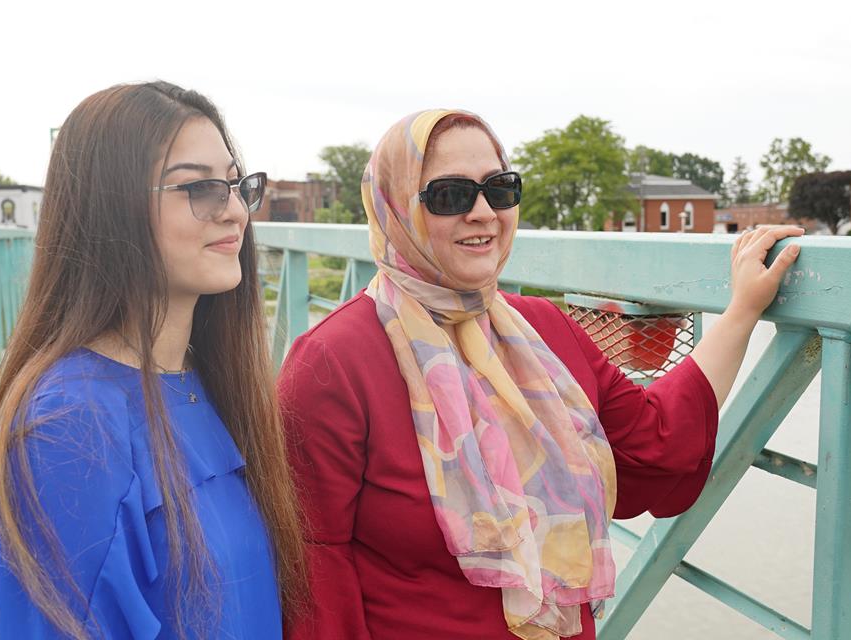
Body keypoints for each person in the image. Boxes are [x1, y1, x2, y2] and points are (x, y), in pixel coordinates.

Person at [278, 109, 804, 639]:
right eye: (450, 195)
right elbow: (315, 571)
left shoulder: (544, 331)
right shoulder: (330, 364)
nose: (483, 212)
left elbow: (656, 441)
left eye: (500, 189)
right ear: (393, 208)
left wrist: (741, 312)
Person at [0, 81, 308, 639]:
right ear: (109, 206)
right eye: (200, 188)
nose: (236, 211)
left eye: (238, 186)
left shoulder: (206, 386)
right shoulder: (70, 426)